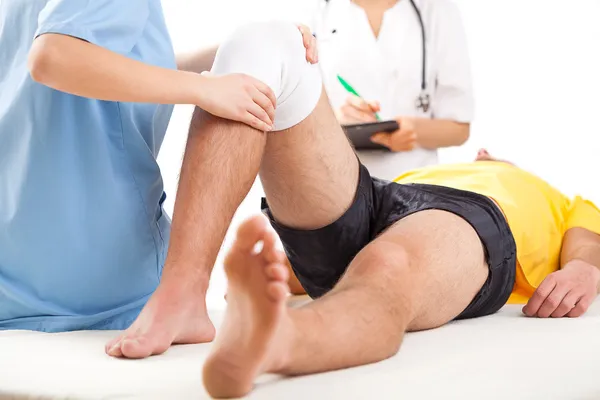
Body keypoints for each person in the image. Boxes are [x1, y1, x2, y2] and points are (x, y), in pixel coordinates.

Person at [108, 21, 600, 397]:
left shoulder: (550, 193)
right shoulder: (432, 171)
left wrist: (582, 269)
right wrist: (288, 273)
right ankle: (184, 293)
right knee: (267, 42)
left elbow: (587, 240)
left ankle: (276, 341)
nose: (487, 154)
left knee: (389, 264)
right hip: (382, 192)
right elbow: (339, 258)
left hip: (468, 218)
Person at [0, 0, 315, 351]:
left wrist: (252, 49)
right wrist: (204, 90)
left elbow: (104, 64)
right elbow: (53, 57)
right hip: (100, 279)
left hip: (16, 280)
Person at [312, 0, 474, 180]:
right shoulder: (318, 11)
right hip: (337, 183)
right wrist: (336, 121)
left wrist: (415, 130)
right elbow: (294, 121)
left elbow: (459, 128)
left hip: (416, 185)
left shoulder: (436, 8)